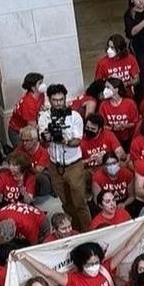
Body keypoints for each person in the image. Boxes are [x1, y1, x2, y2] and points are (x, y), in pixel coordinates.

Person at [38, 84, 91, 231]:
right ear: (50, 100)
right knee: (66, 202)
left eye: (61, 99)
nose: (59, 103)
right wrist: (47, 137)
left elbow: (77, 141)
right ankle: (72, 230)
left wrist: (64, 139)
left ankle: (88, 231)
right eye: (55, 100)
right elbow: (43, 142)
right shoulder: (44, 117)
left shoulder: (75, 117)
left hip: (74, 164)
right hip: (55, 165)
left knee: (80, 202)